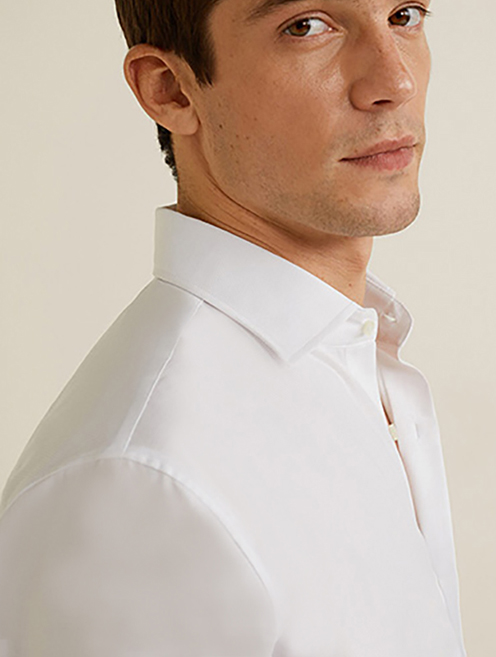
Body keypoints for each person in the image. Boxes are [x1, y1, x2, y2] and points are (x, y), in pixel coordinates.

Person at [0, 0, 467, 655]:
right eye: (306, 26)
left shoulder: (352, 358)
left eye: (404, 15)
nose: (395, 81)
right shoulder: (141, 487)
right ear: (170, 89)